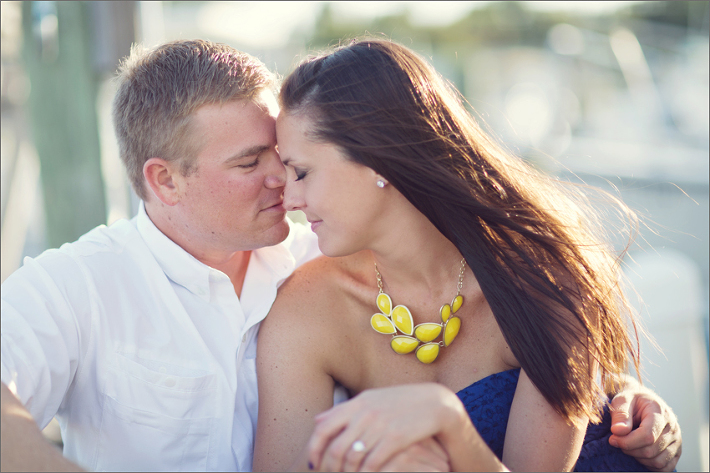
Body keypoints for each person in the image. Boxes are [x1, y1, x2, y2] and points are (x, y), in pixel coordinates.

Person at [0, 38, 680, 472]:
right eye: (252, 162)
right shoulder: (82, 284)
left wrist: (618, 392)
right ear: (164, 180)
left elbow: (548, 344)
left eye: (290, 160)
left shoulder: (318, 248)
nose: (284, 187)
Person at [252, 39, 683, 472]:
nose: (288, 197)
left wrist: (450, 425)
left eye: (301, 172)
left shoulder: (546, 279)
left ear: (376, 157)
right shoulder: (309, 309)